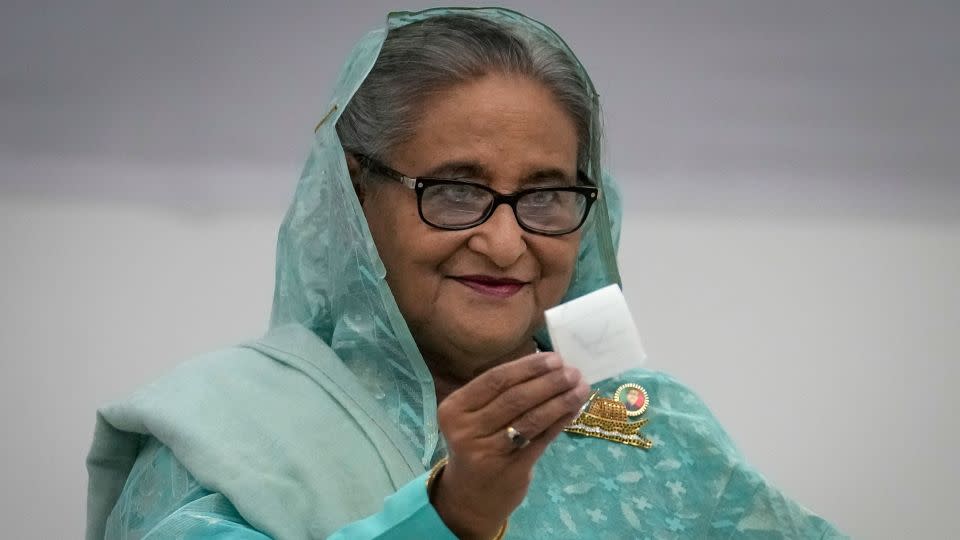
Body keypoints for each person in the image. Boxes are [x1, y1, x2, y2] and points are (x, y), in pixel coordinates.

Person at [86, 8, 845, 539]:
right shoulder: (226, 434)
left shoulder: (647, 425)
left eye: (545, 195)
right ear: (354, 197)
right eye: (456, 190)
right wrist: (450, 515)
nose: (507, 244)